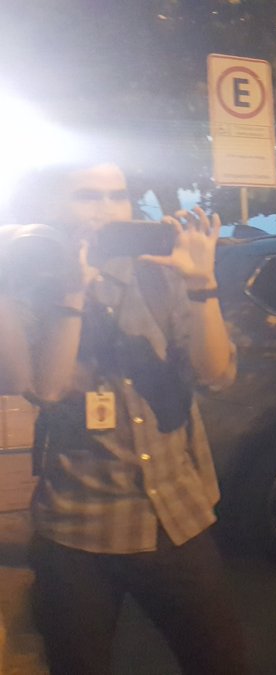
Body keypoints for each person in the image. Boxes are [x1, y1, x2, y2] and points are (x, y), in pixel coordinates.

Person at [0, 161, 248, 675]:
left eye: (117, 196)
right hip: (77, 529)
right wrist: (73, 292)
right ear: (52, 206)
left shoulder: (159, 274)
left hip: (176, 518)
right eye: (88, 196)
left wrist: (202, 285)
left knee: (222, 663)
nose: (107, 210)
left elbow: (217, 374)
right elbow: (45, 388)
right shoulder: (28, 285)